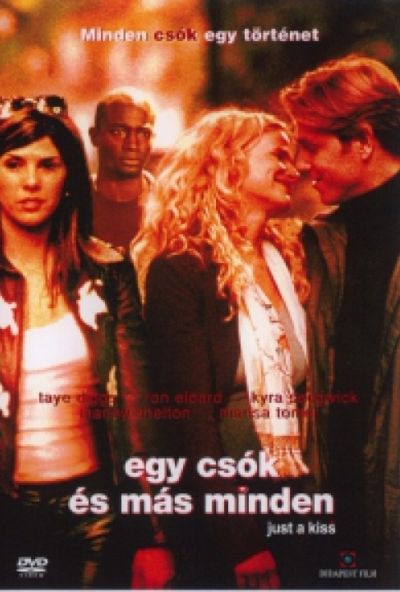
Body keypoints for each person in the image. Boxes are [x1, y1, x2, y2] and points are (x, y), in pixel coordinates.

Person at [132, 108, 316, 589]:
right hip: (226, 514)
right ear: (228, 164)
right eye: (278, 156)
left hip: (297, 496)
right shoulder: (181, 270)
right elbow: (188, 425)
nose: (293, 170)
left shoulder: (290, 260)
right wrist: (240, 539)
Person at [0, 97, 173, 589]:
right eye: (13, 164)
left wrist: (154, 533)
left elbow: (139, 410)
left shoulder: (107, 270)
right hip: (9, 515)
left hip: (98, 509)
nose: (31, 181)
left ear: (70, 175)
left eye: (47, 165)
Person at [280, 54, 400, 588]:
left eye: (311, 146)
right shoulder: (317, 242)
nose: (300, 164)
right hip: (334, 527)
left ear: (363, 142)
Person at [89, 87, 155, 254]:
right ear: (95, 136)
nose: (132, 145)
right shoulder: (72, 205)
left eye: (143, 134)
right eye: (118, 132)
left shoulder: (168, 208)